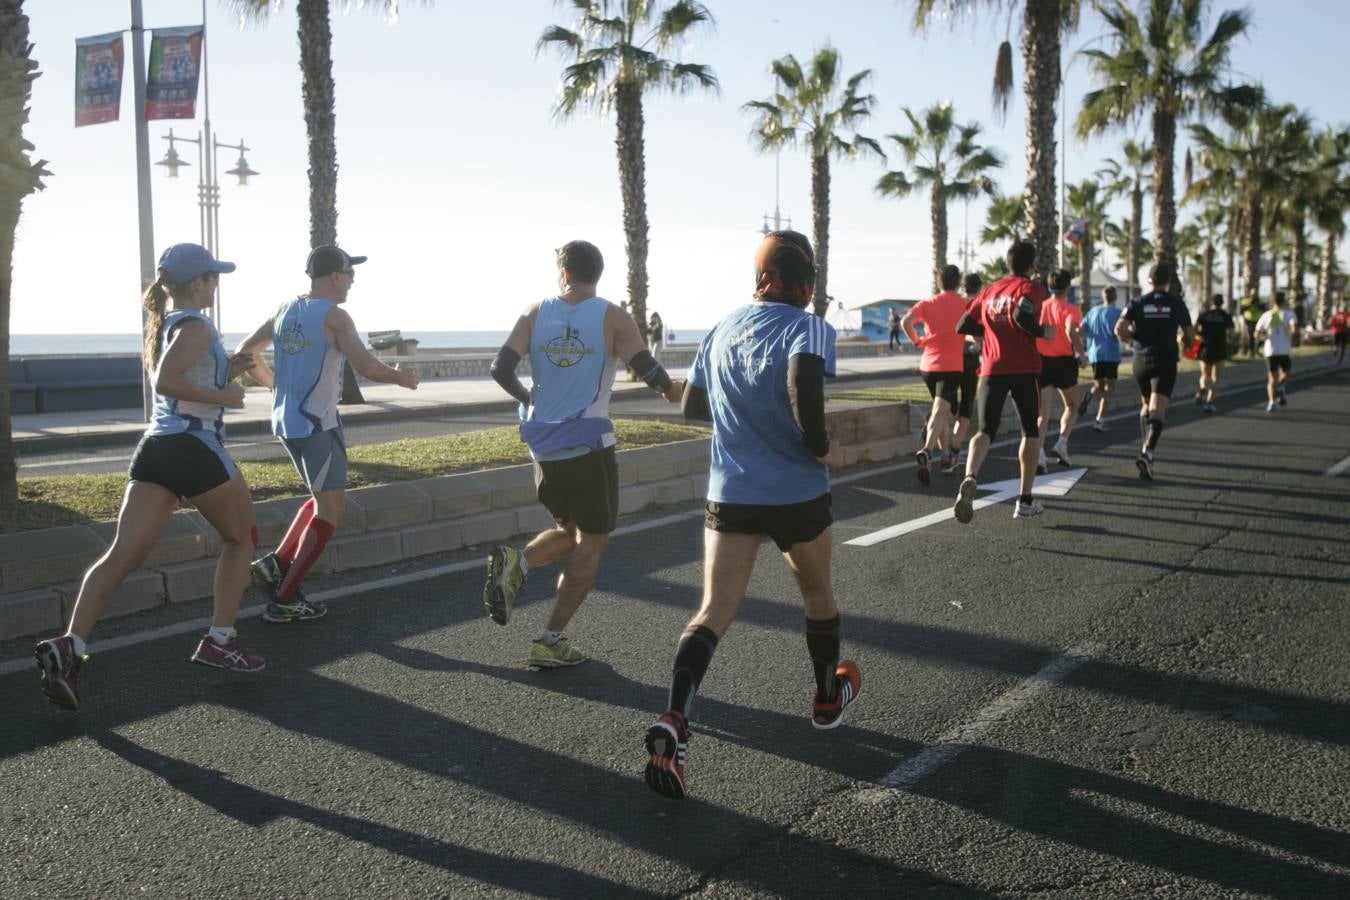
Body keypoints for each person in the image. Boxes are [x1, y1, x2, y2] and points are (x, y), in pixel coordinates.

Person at [643, 231, 858, 800]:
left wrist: (743, 418)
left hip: (730, 490)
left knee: (713, 609)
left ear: (759, 277)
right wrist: (821, 447)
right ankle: (825, 701)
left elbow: (693, 407)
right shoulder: (809, 326)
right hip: (797, 492)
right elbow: (802, 384)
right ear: (805, 282)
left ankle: (675, 718)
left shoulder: (721, 327)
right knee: (818, 596)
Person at [35, 244, 264, 710]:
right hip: (193, 446)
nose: (216, 284)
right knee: (241, 539)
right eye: (212, 277)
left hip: (155, 450)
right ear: (196, 283)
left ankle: (70, 646)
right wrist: (227, 396)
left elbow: (181, 376)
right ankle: (221, 639)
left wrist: (227, 369)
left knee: (123, 554)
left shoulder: (174, 324)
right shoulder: (198, 326)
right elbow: (168, 381)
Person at [483, 241, 680, 668]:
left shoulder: (536, 312)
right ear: (597, 274)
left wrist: (527, 398)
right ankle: (550, 639)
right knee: (593, 542)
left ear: (565, 273)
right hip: (588, 446)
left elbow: (500, 367)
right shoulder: (612, 316)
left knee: (569, 532)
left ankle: (518, 562)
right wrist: (671, 390)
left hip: (543, 447)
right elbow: (645, 365)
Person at [237, 246, 420, 622]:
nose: (354, 279)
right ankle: (285, 598)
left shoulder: (285, 309)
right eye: (350, 273)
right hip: (317, 424)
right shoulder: (335, 317)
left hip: (286, 421)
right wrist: (401, 377)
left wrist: (278, 387)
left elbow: (244, 352)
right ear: (335, 276)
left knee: (321, 497)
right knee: (331, 510)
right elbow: (366, 365)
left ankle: (275, 564)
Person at [952, 241, 1053, 522]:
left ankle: (970, 476)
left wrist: (987, 332)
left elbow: (962, 325)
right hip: (1023, 367)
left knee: (985, 429)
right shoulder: (1031, 287)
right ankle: (1025, 500)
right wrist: (1042, 331)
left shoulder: (990, 289)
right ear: (1032, 265)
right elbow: (1023, 313)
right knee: (1030, 431)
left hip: (991, 367)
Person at [1114, 263, 1194, 480]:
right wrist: (1183, 340)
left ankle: (1145, 447)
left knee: (1146, 405)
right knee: (1158, 410)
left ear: (1149, 281)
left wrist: (1133, 337)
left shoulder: (1138, 302)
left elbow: (1119, 329)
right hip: (1165, 359)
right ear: (1168, 282)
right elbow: (1190, 335)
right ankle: (1148, 452)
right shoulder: (1176, 303)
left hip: (1140, 360)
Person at [901, 265, 968, 484]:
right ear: (958, 282)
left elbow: (905, 322)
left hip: (928, 367)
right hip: (950, 367)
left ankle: (946, 455)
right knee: (941, 411)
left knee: (942, 411)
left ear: (939, 283)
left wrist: (917, 340)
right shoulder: (965, 304)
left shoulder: (928, 304)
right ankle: (928, 450)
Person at [1035, 269, 1085, 469]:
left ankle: (1039, 455)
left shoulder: (1040, 307)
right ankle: (1062, 443)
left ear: (1049, 287)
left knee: (1042, 414)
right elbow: (1070, 330)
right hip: (1064, 362)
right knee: (1073, 405)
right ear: (1067, 287)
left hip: (1042, 362)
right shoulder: (1072, 309)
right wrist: (1081, 354)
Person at [945, 272, 984, 473]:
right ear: (980, 287)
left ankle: (939, 431)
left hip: (951, 359)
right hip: (970, 360)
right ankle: (955, 450)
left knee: (948, 403)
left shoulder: (956, 303)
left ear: (962, 286)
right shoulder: (980, 305)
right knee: (967, 405)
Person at [1077, 284, 1123, 431]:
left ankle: (1090, 395)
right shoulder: (1118, 313)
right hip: (1111, 354)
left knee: (1098, 385)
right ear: (1114, 297)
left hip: (1095, 354)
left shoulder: (1092, 312)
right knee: (1109, 387)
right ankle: (1099, 419)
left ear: (1103, 297)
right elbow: (1123, 331)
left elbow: (1080, 330)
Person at [1254, 291, 1298, 412]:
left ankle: (1271, 402)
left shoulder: (1266, 315)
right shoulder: (1289, 314)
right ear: (1284, 301)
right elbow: (1294, 329)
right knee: (1287, 373)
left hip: (1270, 351)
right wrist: (1291, 336)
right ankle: (1281, 388)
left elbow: (1256, 334)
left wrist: (1266, 338)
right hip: (1284, 350)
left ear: (1273, 301)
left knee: (1272, 379)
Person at [1194, 294, 1235, 413]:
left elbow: (1195, 329)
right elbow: (1231, 333)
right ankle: (1209, 402)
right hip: (1219, 348)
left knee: (1204, 375)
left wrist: (1200, 336)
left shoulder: (1204, 315)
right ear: (1222, 303)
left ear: (1211, 302)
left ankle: (1202, 388)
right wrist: (1230, 341)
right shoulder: (1226, 316)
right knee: (1216, 378)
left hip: (1205, 348)